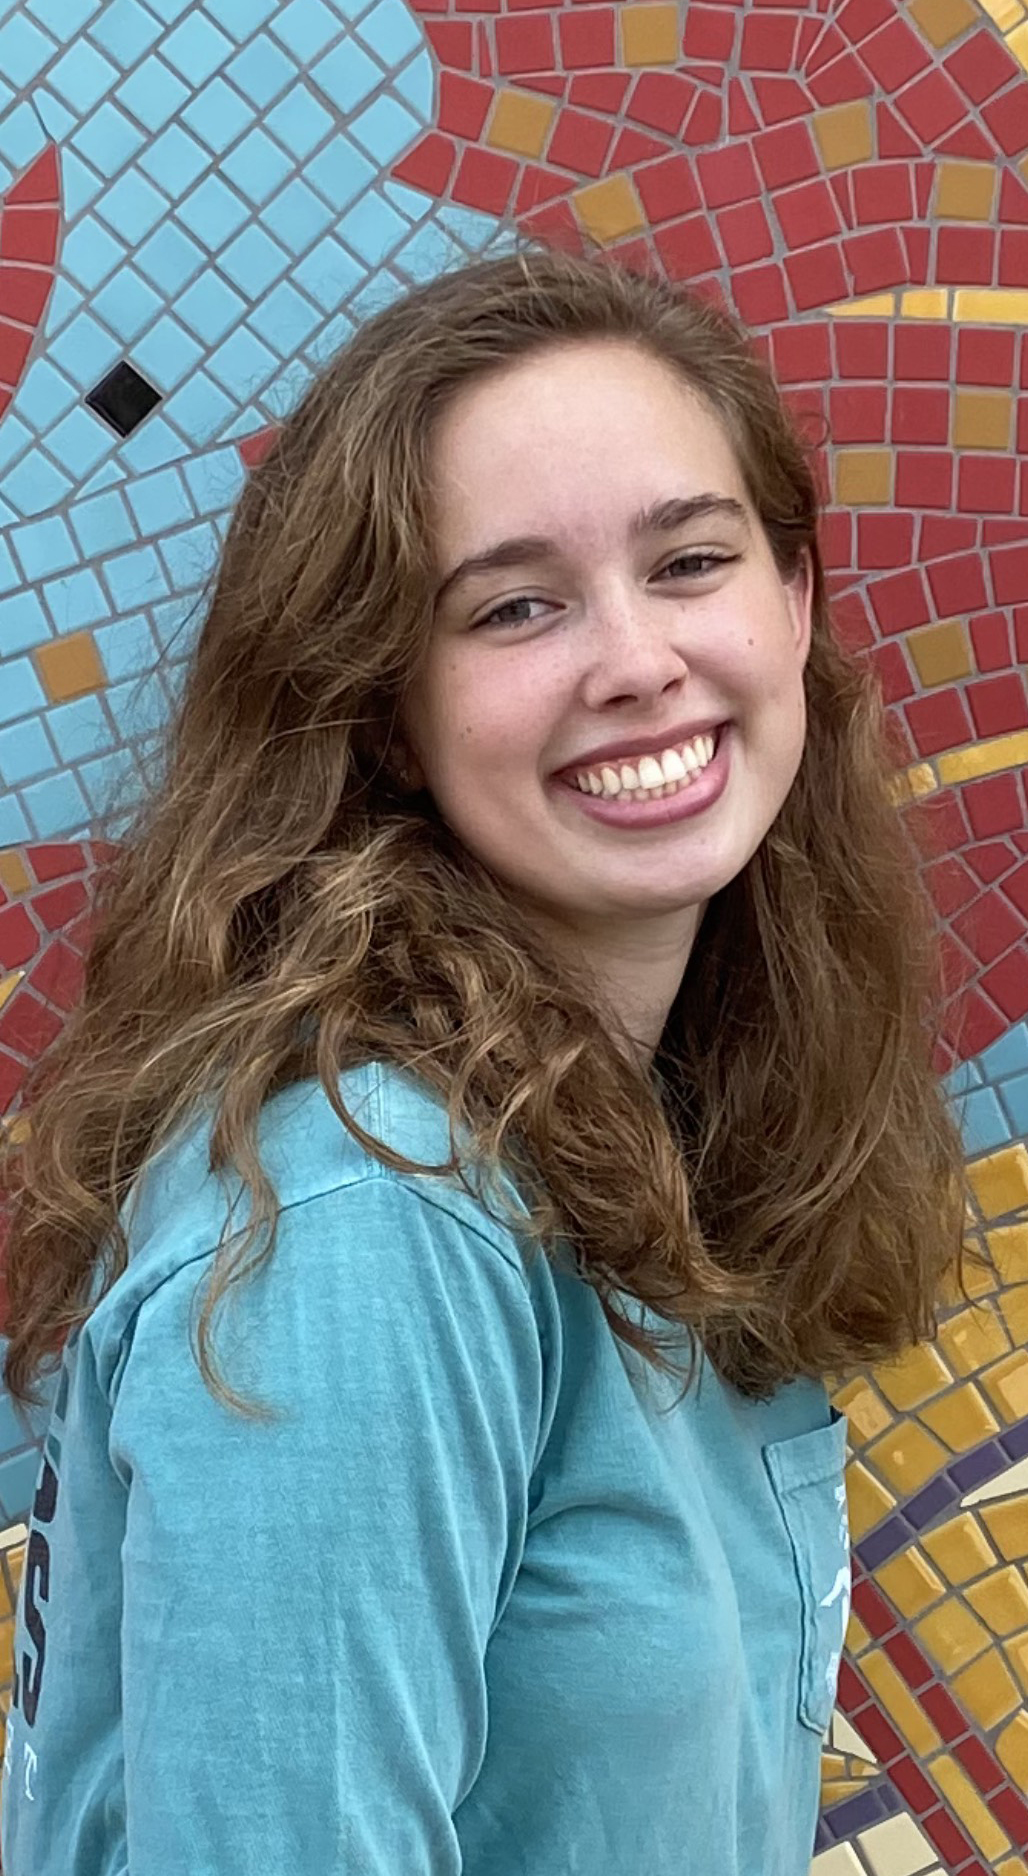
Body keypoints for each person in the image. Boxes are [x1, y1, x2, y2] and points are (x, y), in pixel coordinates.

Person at [0, 245, 966, 1876]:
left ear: (791, 600)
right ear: (387, 709)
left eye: (689, 561)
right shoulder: (371, 1223)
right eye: (514, 606)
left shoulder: (656, 1124)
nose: (635, 660)